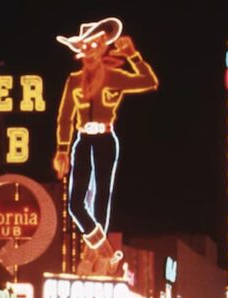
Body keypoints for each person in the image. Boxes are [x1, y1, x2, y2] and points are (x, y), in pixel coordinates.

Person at [54, 18, 158, 273]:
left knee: (101, 198)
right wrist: (62, 149)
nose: (90, 49)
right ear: (80, 50)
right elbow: (65, 116)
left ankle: (94, 257)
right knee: (75, 204)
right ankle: (105, 252)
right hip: (82, 140)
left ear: (102, 47)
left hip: (105, 139)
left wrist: (133, 55)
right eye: (85, 45)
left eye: (95, 44)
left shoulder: (113, 77)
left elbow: (149, 81)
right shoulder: (73, 80)